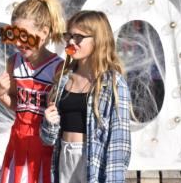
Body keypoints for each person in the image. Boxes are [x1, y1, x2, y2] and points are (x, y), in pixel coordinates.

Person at [40, 10, 132, 183]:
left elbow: (119, 143)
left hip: (92, 163)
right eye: (69, 36)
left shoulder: (112, 83)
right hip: (64, 160)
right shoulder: (63, 78)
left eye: (79, 37)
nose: (72, 42)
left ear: (97, 40)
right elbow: (48, 139)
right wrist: (49, 123)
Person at [0, 0, 66, 183]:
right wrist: (0, 94)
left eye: (24, 35)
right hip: (18, 143)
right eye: (15, 34)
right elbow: (19, 106)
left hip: (45, 146)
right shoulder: (13, 62)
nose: (18, 42)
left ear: (43, 32)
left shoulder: (59, 68)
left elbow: (62, 116)